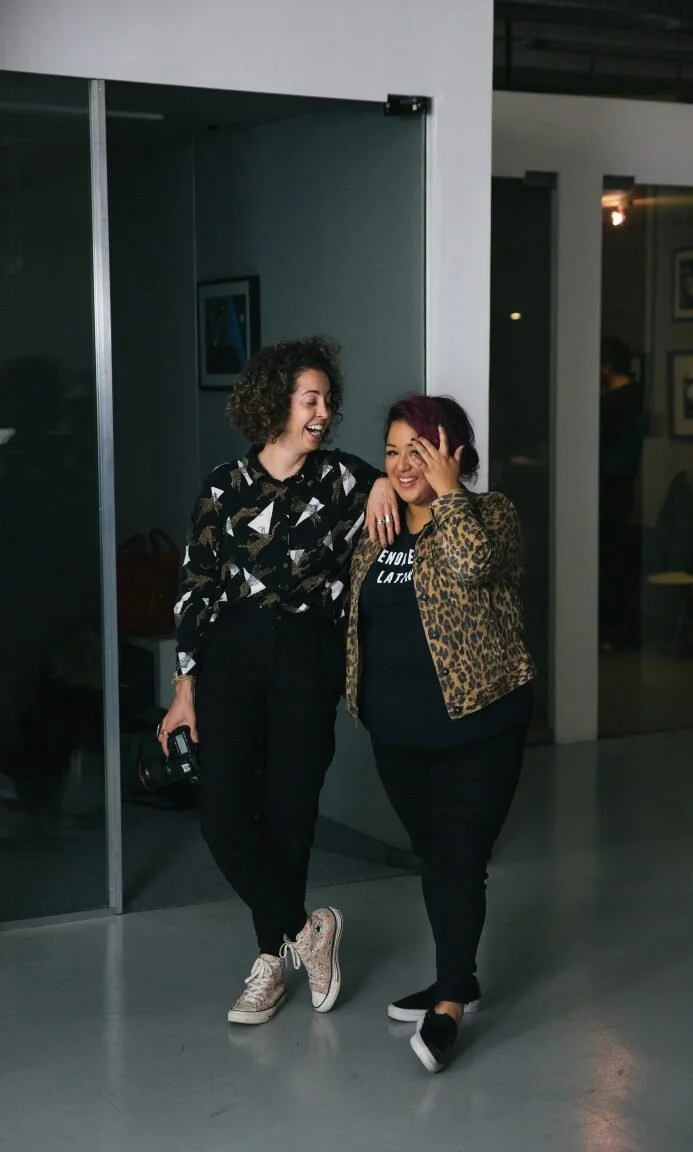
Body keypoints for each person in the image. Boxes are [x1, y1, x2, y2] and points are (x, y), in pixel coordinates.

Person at [159, 336, 398, 1025]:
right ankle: (305, 929)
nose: (322, 413)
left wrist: (384, 481)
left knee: (291, 811)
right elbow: (195, 588)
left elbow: (398, 492)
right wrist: (184, 689)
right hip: (231, 656)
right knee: (222, 813)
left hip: (306, 655)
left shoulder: (347, 479)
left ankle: (270, 961)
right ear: (274, 403)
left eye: (327, 400)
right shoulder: (223, 485)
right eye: (309, 400)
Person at [345, 394, 535, 1073]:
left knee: (459, 858)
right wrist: (378, 482)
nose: (403, 464)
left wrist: (448, 493)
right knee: (434, 856)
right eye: (392, 452)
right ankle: (458, 976)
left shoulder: (493, 514)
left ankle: (451, 1002)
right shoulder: (377, 522)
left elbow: (474, 564)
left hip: (480, 723)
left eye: (419, 451)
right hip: (398, 731)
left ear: (454, 453)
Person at [599, 336, 646, 650]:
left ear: (607, 366)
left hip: (609, 490)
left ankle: (611, 633)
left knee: (609, 561)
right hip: (621, 489)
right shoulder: (634, 397)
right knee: (613, 560)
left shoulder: (617, 403)